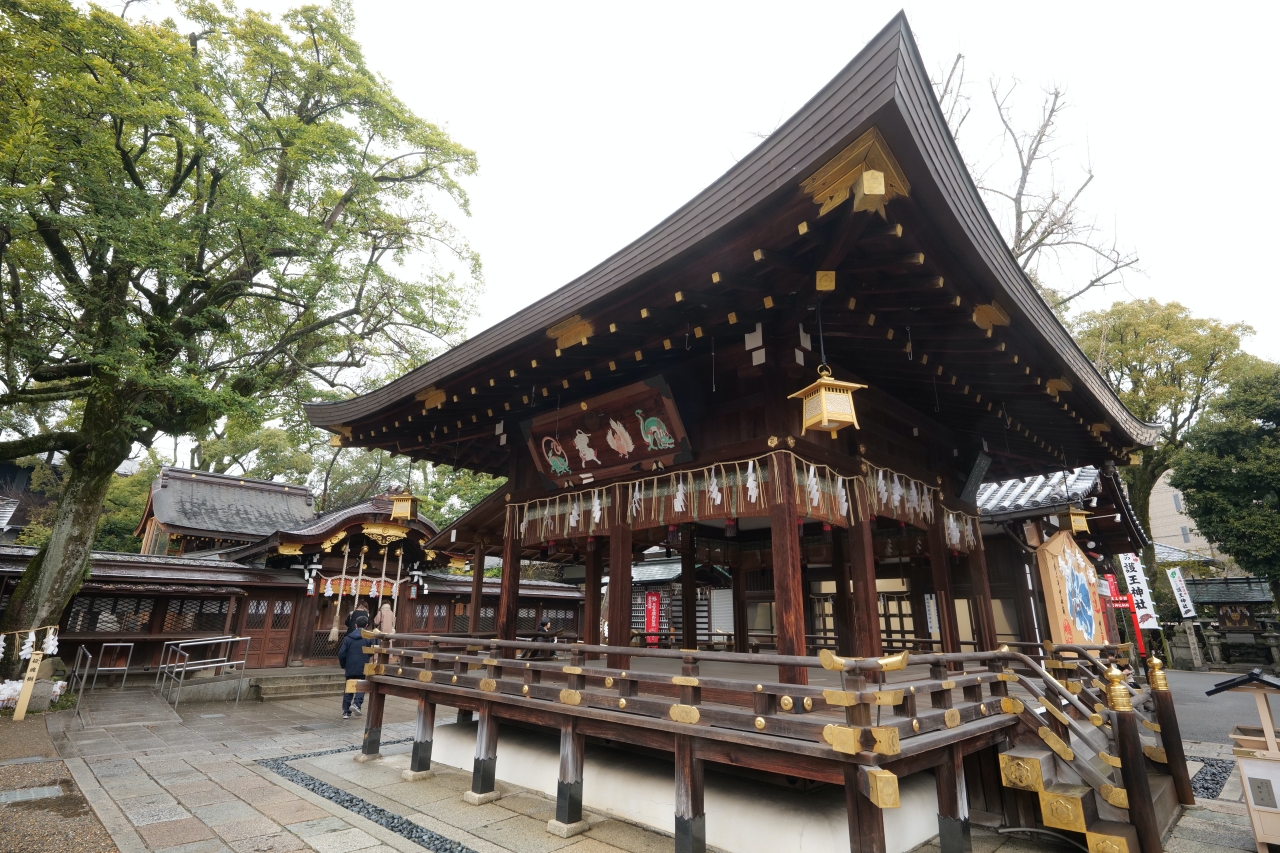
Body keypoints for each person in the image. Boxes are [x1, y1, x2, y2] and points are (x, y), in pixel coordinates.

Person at [338, 613, 370, 719]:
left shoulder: (348, 638)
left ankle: (346, 711)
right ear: (366, 626)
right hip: (363, 664)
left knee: (349, 686)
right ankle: (357, 704)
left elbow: (342, 653)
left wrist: (344, 665)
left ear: (355, 625)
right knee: (361, 685)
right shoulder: (368, 638)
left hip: (350, 665)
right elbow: (372, 651)